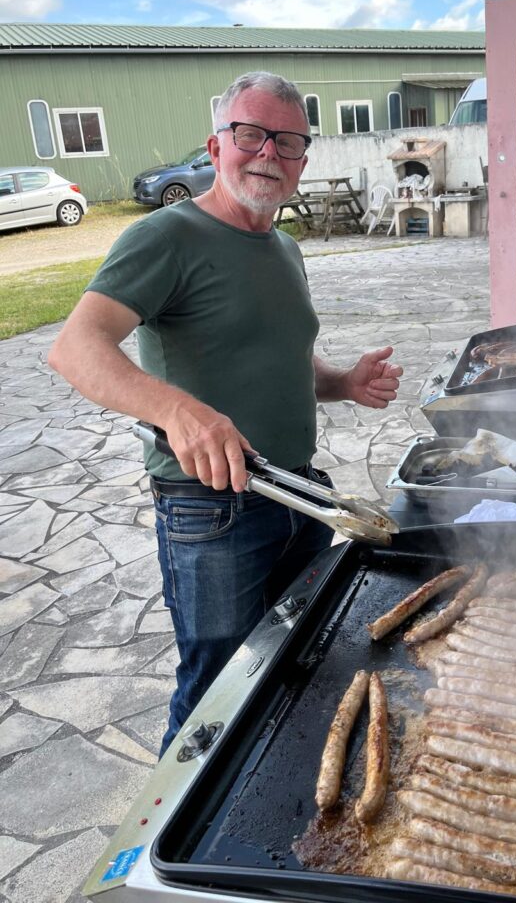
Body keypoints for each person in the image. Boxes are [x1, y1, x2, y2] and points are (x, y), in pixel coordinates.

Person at [48, 71, 402, 756]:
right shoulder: (167, 236)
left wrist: (342, 382)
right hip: (212, 511)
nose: (269, 152)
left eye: (289, 141)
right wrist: (179, 412)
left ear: (303, 160)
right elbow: (75, 348)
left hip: (297, 493)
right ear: (216, 147)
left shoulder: (284, 246)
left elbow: (280, 358)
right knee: (215, 691)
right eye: (251, 134)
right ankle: (162, 851)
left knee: (287, 664)